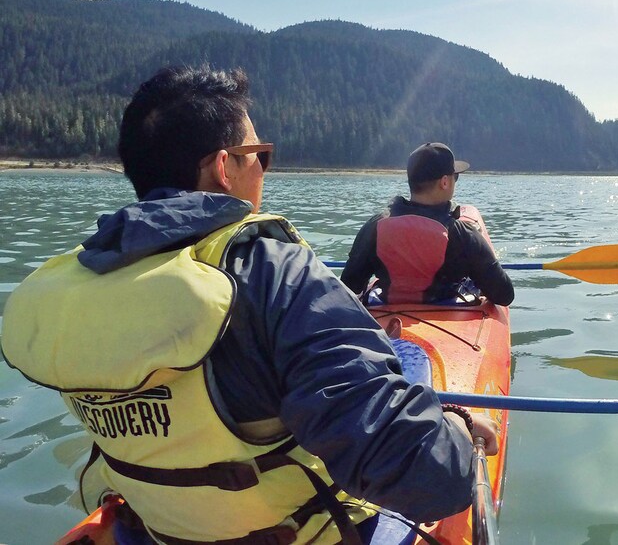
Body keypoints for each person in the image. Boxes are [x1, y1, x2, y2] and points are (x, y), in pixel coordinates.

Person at [0, 66, 499, 545]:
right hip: (301, 532)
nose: (264, 168)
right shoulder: (276, 274)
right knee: (409, 360)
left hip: (160, 528)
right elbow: (430, 478)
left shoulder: (76, 284)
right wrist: (454, 428)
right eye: (259, 154)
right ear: (225, 167)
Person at [341, 142, 515, 306]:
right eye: (455, 177)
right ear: (445, 182)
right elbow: (504, 295)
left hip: (388, 311)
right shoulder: (462, 234)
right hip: (446, 311)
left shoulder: (375, 226)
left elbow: (350, 287)